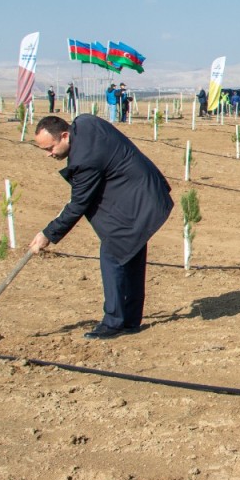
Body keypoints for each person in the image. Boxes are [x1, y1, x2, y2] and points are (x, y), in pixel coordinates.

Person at [29, 114, 173, 338]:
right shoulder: (85, 122)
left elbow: (78, 204)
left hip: (137, 199)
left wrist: (48, 234)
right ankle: (130, 320)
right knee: (130, 252)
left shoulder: (84, 159)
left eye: (51, 148)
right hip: (139, 192)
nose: (49, 154)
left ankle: (113, 322)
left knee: (112, 254)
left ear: (65, 135)